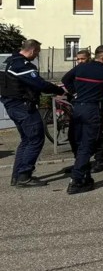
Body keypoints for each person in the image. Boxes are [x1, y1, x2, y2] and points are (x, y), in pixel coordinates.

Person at [62, 43, 103, 194]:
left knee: (77, 143)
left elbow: (65, 79)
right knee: (87, 146)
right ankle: (77, 181)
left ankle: (84, 174)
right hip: (91, 110)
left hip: (77, 108)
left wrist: (74, 93)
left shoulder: (81, 67)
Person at [0, 39, 67, 187]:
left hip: (12, 106)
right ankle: (24, 175)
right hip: (23, 107)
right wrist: (59, 90)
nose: (36, 56)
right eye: (36, 53)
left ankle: (17, 176)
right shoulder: (22, 65)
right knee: (36, 139)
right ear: (32, 50)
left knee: (26, 141)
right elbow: (39, 84)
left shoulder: (9, 61)